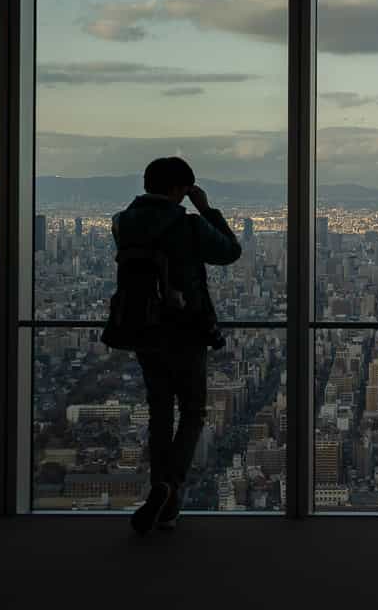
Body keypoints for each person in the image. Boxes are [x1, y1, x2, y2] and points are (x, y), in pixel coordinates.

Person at [112, 156, 240, 534]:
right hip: (184, 328)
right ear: (177, 190)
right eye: (185, 190)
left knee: (159, 414)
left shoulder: (122, 223)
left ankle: (162, 498)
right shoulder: (186, 224)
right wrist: (205, 208)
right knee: (194, 411)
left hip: (140, 328)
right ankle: (169, 488)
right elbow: (230, 252)